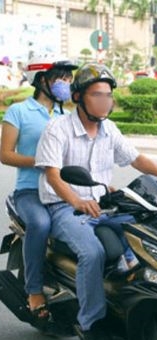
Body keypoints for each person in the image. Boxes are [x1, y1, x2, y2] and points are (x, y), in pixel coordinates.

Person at [35, 63, 157, 340]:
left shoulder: (109, 129)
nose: (105, 101)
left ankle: (130, 297)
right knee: (92, 252)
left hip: (104, 204)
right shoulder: (58, 129)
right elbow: (53, 175)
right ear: (78, 97)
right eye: (97, 95)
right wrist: (77, 200)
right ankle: (90, 322)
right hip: (65, 208)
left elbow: (135, 158)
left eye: (108, 95)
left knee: (146, 231)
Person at [0, 56, 78, 321]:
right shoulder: (19, 112)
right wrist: (42, 162)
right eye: (61, 78)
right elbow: (6, 155)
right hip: (29, 191)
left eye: (69, 79)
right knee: (41, 224)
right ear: (41, 80)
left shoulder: (67, 116)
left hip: (61, 190)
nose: (66, 83)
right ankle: (34, 290)